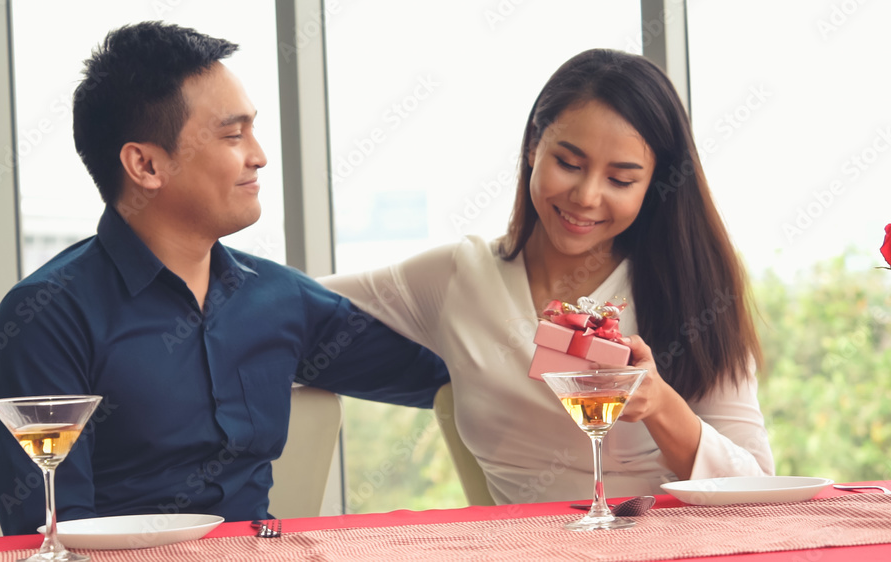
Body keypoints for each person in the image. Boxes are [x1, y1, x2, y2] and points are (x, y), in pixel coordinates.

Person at [0, 21, 449, 536]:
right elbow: (52, 534)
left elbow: (447, 371)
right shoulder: (43, 321)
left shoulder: (278, 297)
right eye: (232, 134)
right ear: (146, 164)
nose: (259, 155)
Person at [320, 49, 775, 505]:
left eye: (620, 180)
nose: (586, 196)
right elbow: (290, 306)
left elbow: (756, 486)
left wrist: (659, 405)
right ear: (533, 144)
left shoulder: (693, 287)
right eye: (570, 164)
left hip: (681, 546)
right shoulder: (459, 278)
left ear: (654, 185)